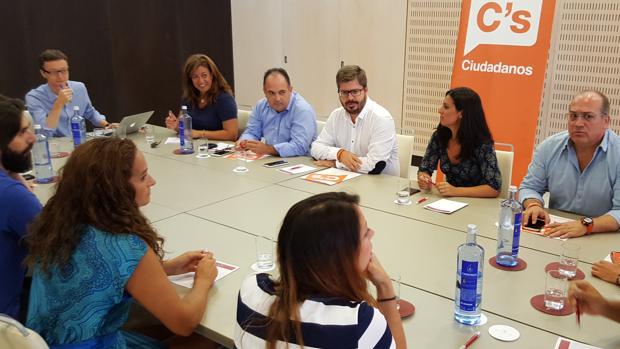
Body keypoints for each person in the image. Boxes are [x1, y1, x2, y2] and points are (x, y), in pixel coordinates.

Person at [26, 137, 218, 348]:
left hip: (42, 342)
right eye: (143, 177)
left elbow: (104, 276)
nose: (152, 181)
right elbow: (184, 323)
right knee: (207, 341)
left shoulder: (60, 224)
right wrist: (203, 280)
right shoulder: (124, 246)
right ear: (116, 188)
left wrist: (166, 268)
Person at [235, 192, 407, 349]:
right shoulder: (359, 323)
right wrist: (385, 286)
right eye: (365, 233)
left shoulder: (250, 289)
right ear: (342, 257)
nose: (372, 234)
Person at [519, 90, 620, 239]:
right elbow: (529, 187)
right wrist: (533, 205)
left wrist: (586, 225)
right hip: (557, 232)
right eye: (573, 116)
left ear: (606, 121)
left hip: (601, 235)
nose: (578, 123)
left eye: (588, 116)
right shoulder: (549, 147)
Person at [311, 65, 400, 176]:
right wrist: (340, 154)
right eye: (344, 93)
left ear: (365, 90)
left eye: (355, 92)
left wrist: (336, 163)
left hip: (380, 184)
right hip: (346, 180)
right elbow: (316, 148)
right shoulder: (336, 116)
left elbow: (375, 165)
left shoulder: (381, 118)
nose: (350, 98)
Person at [0, 96, 42, 321]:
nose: (33, 138)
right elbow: (62, 246)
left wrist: (11, 169)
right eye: (21, 133)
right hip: (10, 323)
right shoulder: (11, 195)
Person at [417, 87, 501, 197]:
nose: (440, 110)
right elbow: (425, 168)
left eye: (446, 107)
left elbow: (494, 188)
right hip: (449, 203)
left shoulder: (482, 143)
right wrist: (424, 177)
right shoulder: (439, 136)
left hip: (478, 205)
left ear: (461, 113)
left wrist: (456, 191)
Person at [25, 49, 112, 138]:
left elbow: (89, 112)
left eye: (64, 70)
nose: (60, 76)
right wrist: (59, 103)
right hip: (55, 146)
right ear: (43, 73)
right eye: (54, 72)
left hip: (80, 140)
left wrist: (107, 126)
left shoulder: (79, 87)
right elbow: (44, 134)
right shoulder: (34, 97)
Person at [237, 68, 316, 157]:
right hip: (272, 160)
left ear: (290, 90)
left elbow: (299, 147)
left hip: (299, 163)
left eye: (282, 92)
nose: (277, 98)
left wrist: (268, 149)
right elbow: (252, 132)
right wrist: (245, 142)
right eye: (271, 93)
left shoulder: (302, 110)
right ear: (264, 92)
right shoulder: (261, 106)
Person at [166, 54, 238, 141]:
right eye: (195, 76)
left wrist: (199, 133)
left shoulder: (224, 98)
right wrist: (176, 125)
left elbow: (232, 134)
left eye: (204, 75)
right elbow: (185, 129)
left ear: (212, 75)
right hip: (193, 146)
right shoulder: (188, 97)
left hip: (216, 149)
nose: (200, 81)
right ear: (190, 79)